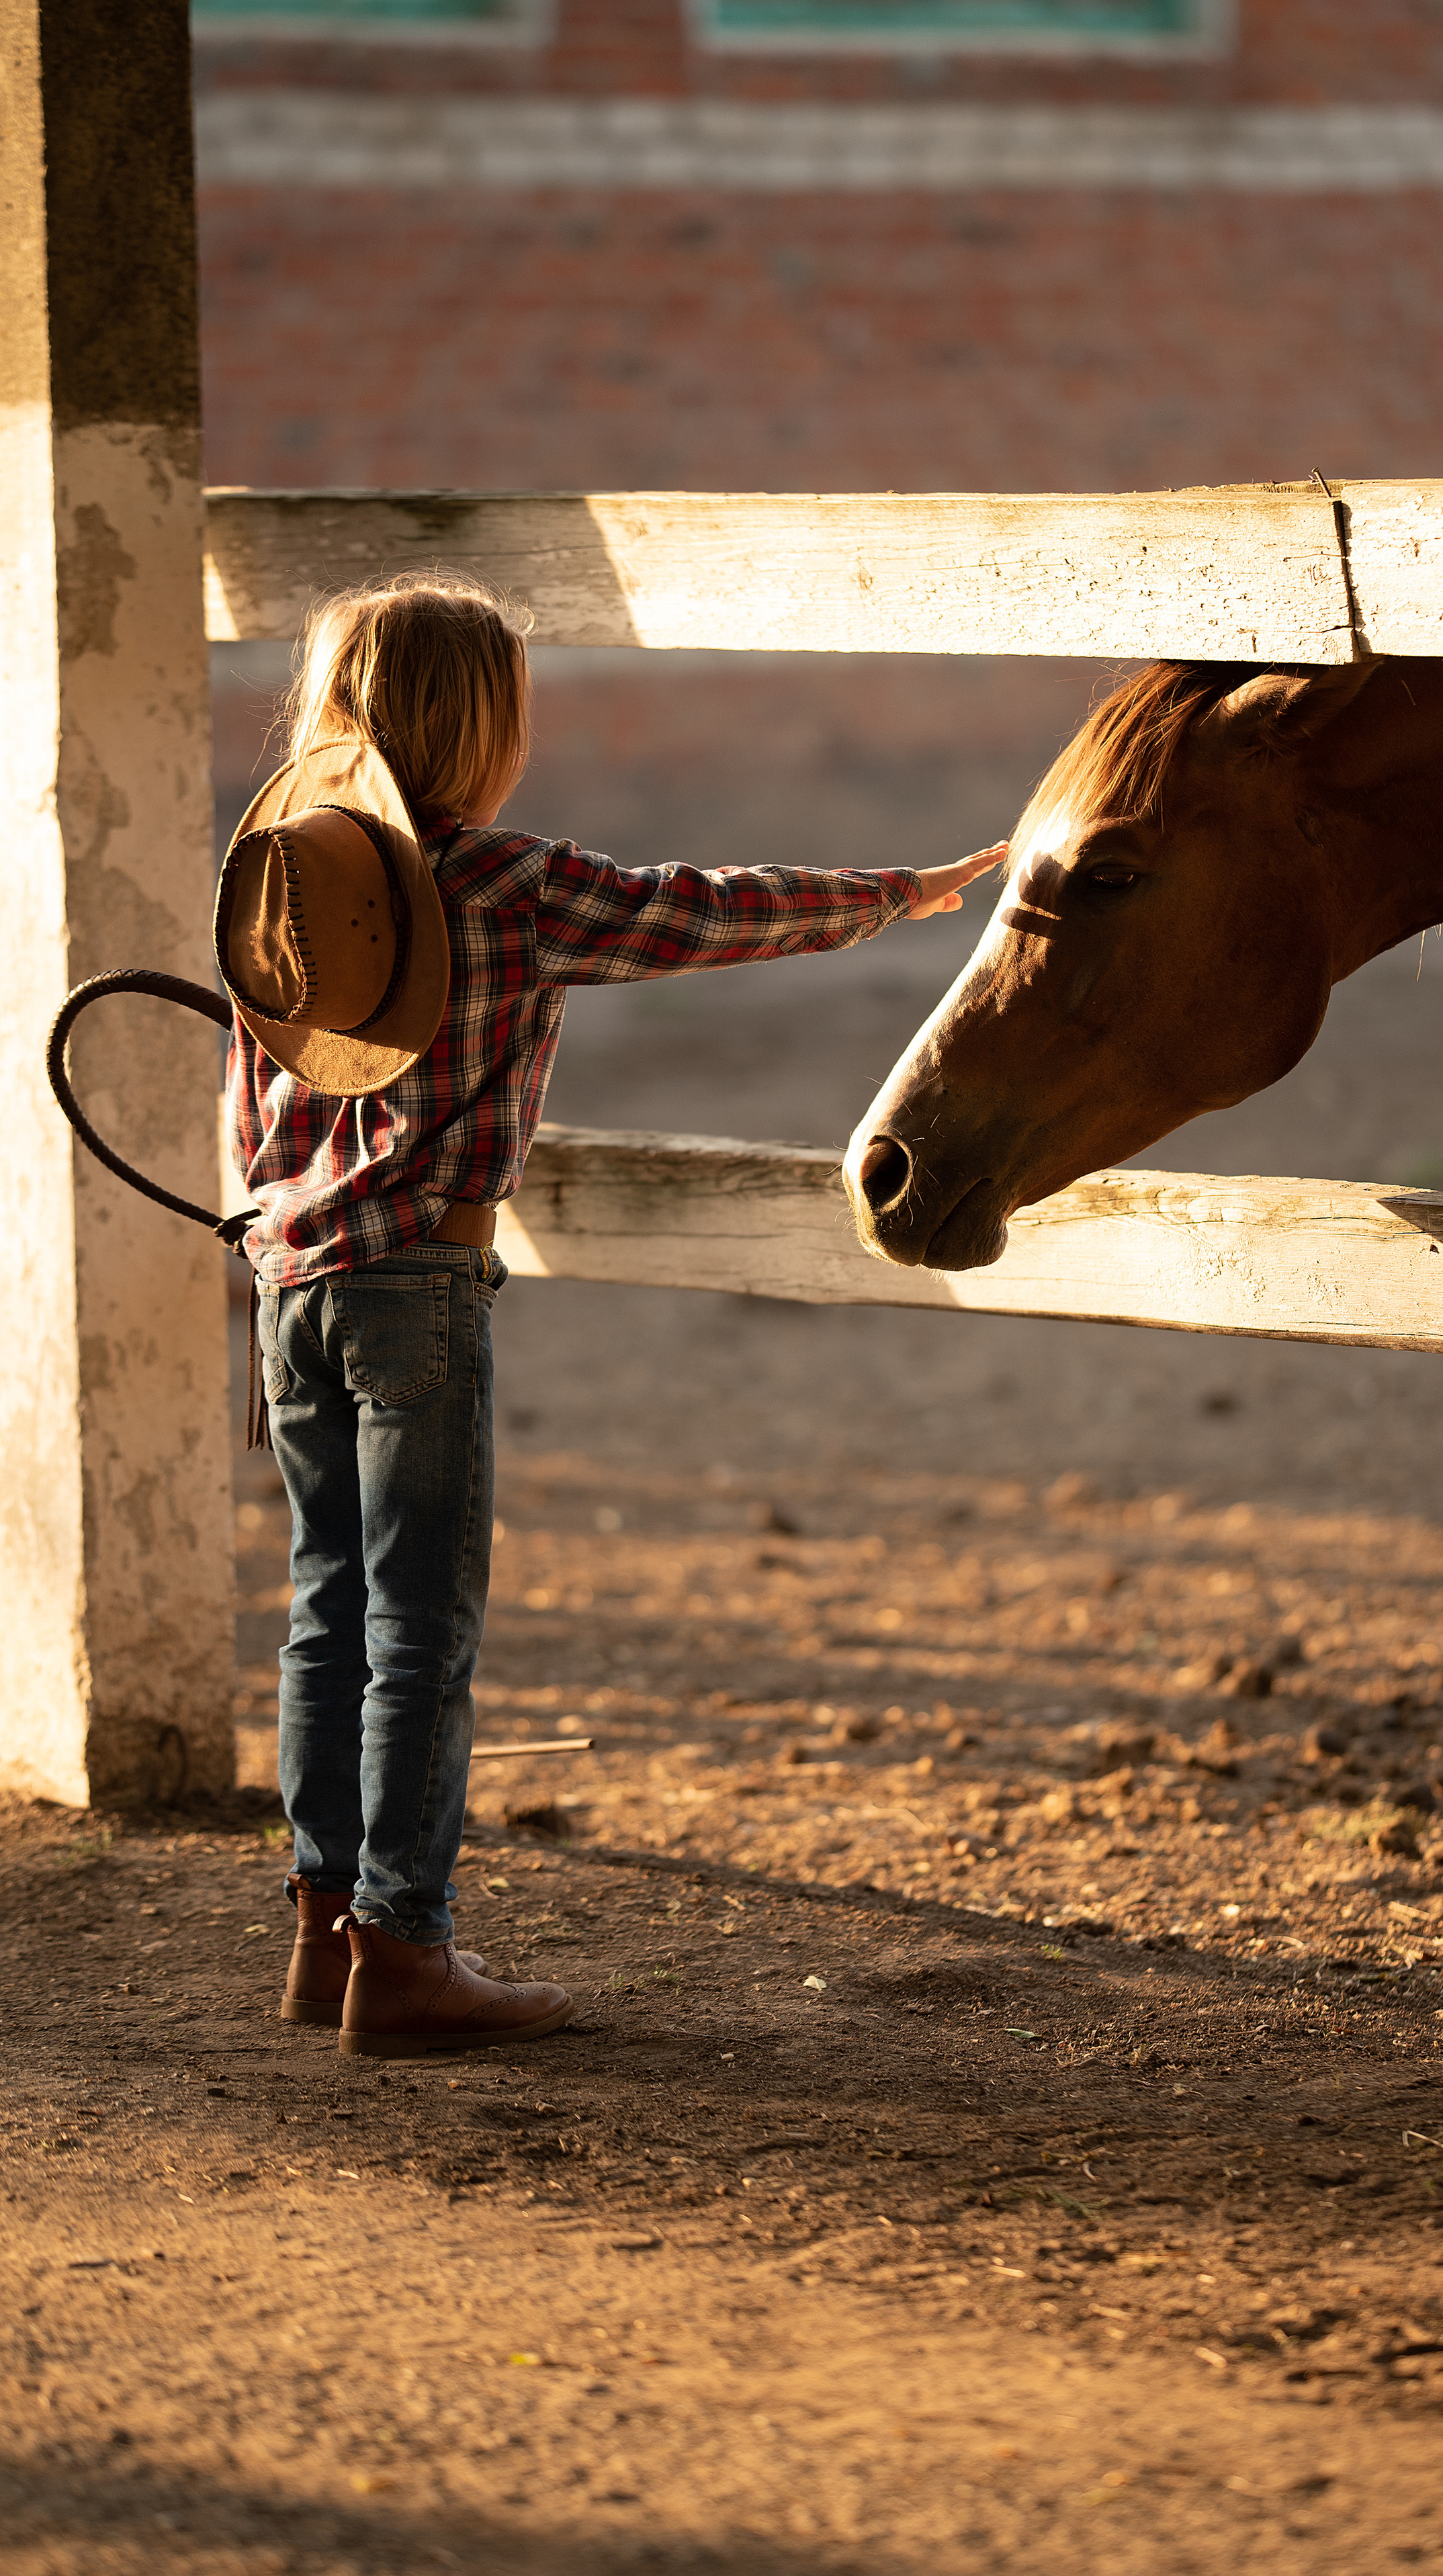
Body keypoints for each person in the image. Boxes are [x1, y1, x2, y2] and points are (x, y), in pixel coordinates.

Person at [216, 571, 1002, 2061]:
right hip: (417, 1296)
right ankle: (409, 1948)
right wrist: (892, 896)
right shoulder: (504, 883)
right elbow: (693, 913)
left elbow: (249, 1100)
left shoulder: (285, 878)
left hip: (291, 1285)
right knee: (420, 1634)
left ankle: (326, 1934)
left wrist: (266, 1239)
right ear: (482, 728)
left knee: (325, 1619)